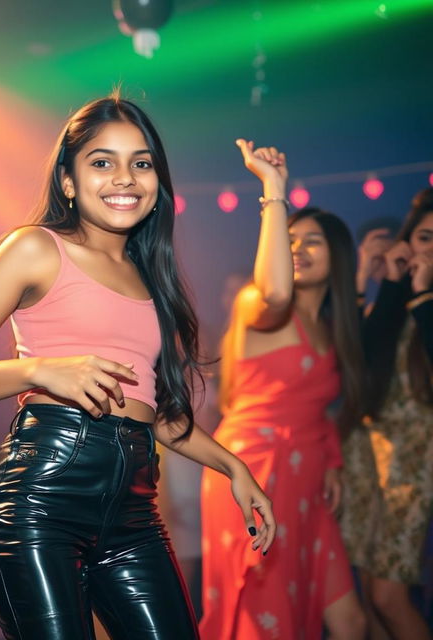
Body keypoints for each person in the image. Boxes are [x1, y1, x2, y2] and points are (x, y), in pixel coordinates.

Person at [0, 94, 275, 640]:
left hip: (134, 511)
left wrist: (235, 468)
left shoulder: (153, 279)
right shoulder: (36, 249)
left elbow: (155, 414)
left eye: (141, 162)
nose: (124, 178)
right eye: (102, 162)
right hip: (40, 503)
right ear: (68, 181)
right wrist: (39, 371)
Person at [200, 142, 367, 640]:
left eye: (313, 241)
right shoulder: (261, 304)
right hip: (256, 475)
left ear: (338, 254)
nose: (298, 249)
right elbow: (275, 289)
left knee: (350, 621)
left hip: (310, 482)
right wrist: (274, 192)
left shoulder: (335, 330)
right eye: (291, 240)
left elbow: (317, 410)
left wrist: (332, 462)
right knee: (265, 620)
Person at [359, 187, 433, 639]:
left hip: (419, 458)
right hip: (375, 454)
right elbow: (361, 362)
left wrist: (424, 298)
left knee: (389, 594)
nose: (432, 249)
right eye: (425, 238)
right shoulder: (397, 296)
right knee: (371, 591)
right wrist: (389, 282)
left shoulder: (425, 303)